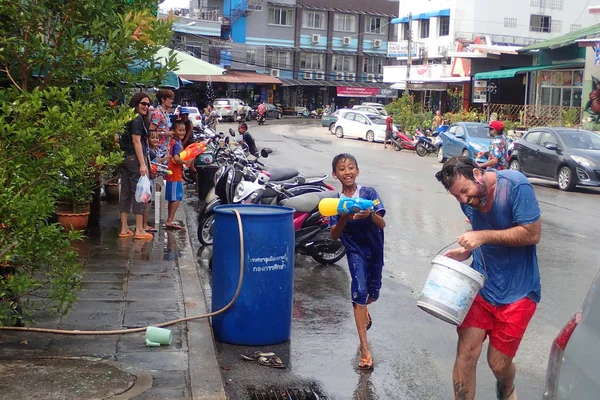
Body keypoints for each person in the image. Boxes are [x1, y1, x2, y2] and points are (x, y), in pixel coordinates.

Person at [435, 156, 542, 400]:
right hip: (481, 286)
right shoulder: (468, 200)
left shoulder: (515, 186)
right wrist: (468, 250)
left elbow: (532, 234)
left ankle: (507, 386)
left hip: (519, 292)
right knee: (466, 352)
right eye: (456, 197)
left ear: (477, 174)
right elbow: (480, 233)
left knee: (498, 365)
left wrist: (482, 236)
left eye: (464, 191)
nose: (463, 200)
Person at [329, 153, 386, 371]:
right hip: (355, 251)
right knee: (359, 292)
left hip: (375, 250)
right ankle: (365, 349)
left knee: (371, 294)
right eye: (342, 169)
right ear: (335, 174)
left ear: (357, 171)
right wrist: (344, 214)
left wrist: (369, 214)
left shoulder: (369, 193)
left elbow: (382, 224)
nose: (347, 172)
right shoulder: (335, 201)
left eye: (351, 167)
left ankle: (364, 309)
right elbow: (334, 235)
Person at [118, 92, 153, 240]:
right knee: (140, 192)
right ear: (136, 103)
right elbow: (136, 141)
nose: (146, 107)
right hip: (134, 158)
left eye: (148, 104)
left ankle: (124, 228)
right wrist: (143, 164)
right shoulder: (138, 119)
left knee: (125, 192)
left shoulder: (127, 118)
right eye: (143, 103)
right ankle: (139, 229)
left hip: (123, 158)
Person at [164, 120, 193, 230]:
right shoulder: (176, 144)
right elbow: (176, 158)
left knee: (173, 197)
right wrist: (186, 162)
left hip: (173, 173)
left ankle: (170, 218)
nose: (182, 133)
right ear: (173, 131)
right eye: (180, 130)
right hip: (174, 174)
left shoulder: (175, 142)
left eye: (184, 130)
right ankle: (170, 220)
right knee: (176, 198)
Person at [149, 89, 174, 159]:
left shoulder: (165, 113)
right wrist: (165, 133)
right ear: (163, 99)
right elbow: (151, 131)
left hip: (165, 149)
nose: (172, 101)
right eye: (170, 99)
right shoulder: (157, 113)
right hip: (158, 150)